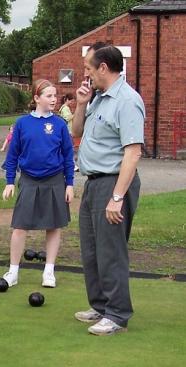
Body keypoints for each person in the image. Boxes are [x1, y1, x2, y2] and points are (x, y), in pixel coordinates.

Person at [72, 43, 145, 336]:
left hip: (113, 184)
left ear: (103, 67)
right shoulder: (98, 98)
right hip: (92, 183)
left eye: (89, 68)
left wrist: (117, 197)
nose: (86, 73)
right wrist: (80, 104)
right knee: (91, 251)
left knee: (110, 250)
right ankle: (101, 306)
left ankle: (117, 314)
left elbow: (133, 152)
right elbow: (76, 132)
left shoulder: (128, 100)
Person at [1, 79, 74, 289]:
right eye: (49, 96)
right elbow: (13, 154)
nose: (54, 99)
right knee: (20, 226)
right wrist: (9, 182)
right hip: (29, 180)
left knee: (53, 226)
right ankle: (13, 271)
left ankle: (49, 271)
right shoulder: (22, 123)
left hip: (55, 180)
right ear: (36, 98)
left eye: (55, 95)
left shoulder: (60, 124)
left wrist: (69, 184)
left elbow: (68, 156)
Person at [59, 93, 79, 172]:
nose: (72, 102)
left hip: (67, 131)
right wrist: (75, 115)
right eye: (71, 101)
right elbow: (67, 118)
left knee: (68, 148)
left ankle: (69, 164)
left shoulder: (63, 108)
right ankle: (72, 165)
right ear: (67, 100)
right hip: (68, 131)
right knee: (70, 148)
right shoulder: (65, 108)